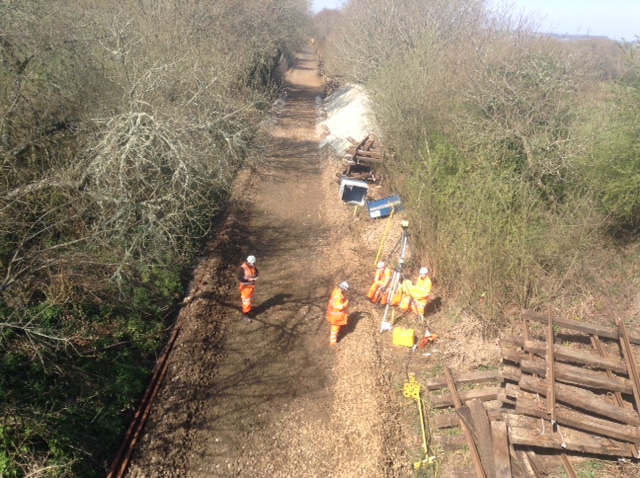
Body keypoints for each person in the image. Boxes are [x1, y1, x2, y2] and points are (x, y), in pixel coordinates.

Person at [326, 281, 349, 346]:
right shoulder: (338, 296)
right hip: (336, 316)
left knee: (335, 329)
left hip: (332, 314)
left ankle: (333, 339)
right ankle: (333, 343)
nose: (345, 291)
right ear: (343, 289)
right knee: (335, 329)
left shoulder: (335, 292)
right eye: (345, 290)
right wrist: (346, 303)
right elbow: (340, 307)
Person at [238, 255, 259, 322]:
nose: (253, 265)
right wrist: (250, 279)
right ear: (248, 262)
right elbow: (240, 278)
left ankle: (248, 310)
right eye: (252, 264)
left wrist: (255, 275)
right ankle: (245, 314)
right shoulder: (242, 268)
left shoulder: (252, 265)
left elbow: (256, 271)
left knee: (249, 300)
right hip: (245, 288)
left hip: (251, 287)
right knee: (246, 301)